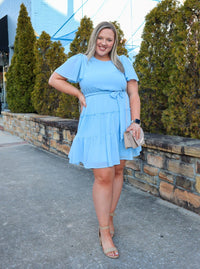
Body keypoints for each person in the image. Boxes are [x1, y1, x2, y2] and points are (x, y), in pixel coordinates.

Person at [49, 21, 141, 259]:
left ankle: (109, 217)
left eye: (109, 39)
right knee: (103, 176)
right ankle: (104, 233)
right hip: (95, 123)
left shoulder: (123, 63)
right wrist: (78, 93)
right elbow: (54, 79)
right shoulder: (81, 60)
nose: (104, 43)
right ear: (94, 38)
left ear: (114, 42)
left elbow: (133, 93)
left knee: (118, 170)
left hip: (120, 122)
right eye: (101, 38)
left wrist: (136, 121)